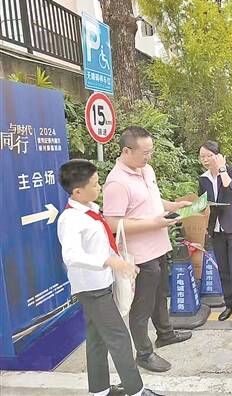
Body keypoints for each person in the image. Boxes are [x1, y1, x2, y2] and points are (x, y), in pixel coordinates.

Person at [58, 159, 161, 396]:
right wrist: (109, 261)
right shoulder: (71, 219)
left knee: (97, 338)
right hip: (91, 288)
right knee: (119, 338)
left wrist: (121, 263)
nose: (100, 187)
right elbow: (71, 255)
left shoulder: (91, 210)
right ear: (77, 191)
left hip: (102, 282)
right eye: (95, 184)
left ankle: (100, 391)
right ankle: (136, 391)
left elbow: (102, 244)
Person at [103, 126, 192, 373]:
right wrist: (154, 223)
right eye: (145, 153)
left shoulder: (146, 170)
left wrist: (174, 205)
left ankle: (165, 333)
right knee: (142, 305)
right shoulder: (116, 183)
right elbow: (113, 223)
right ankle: (143, 353)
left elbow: (152, 200)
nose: (149, 157)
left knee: (161, 294)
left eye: (151, 151)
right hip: (140, 254)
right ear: (126, 151)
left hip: (159, 246)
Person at [198, 141, 232, 328]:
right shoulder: (203, 179)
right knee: (223, 270)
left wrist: (222, 169)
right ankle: (229, 305)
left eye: (209, 155)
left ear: (218, 156)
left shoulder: (231, 171)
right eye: (202, 156)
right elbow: (202, 202)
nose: (205, 159)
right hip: (216, 229)